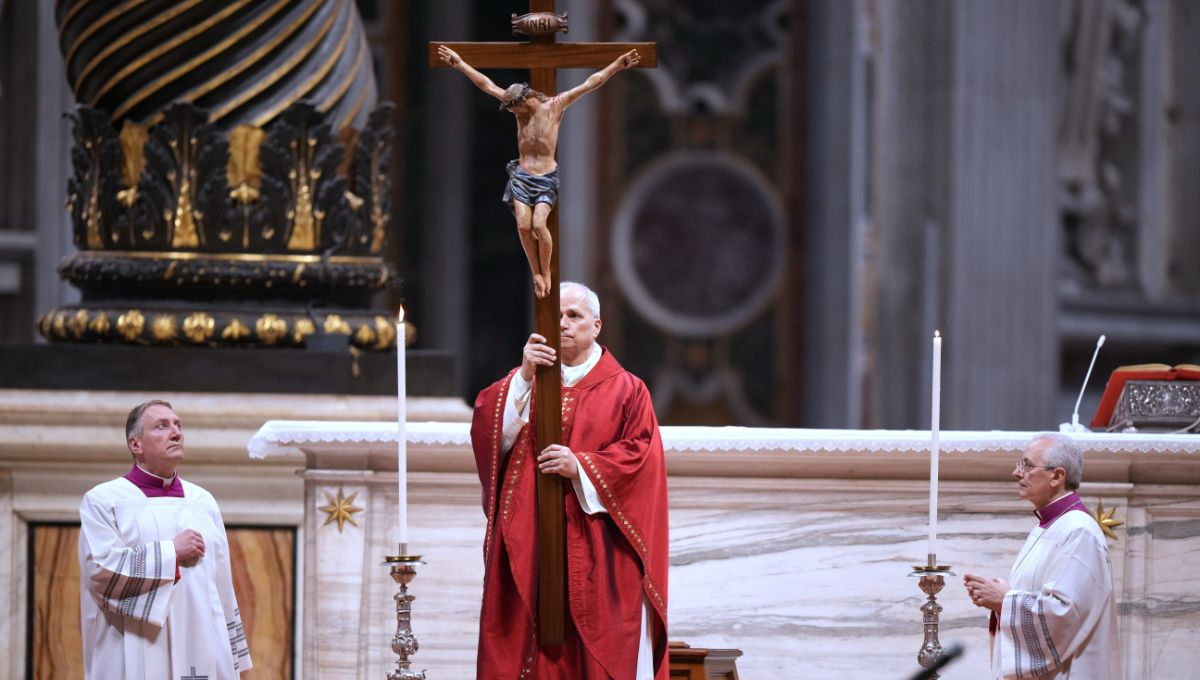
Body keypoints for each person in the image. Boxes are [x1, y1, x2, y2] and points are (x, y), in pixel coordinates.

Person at [470, 282, 669, 679]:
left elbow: (641, 459)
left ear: (597, 325)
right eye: (554, 316)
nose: (562, 324)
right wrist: (524, 376)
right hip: (533, 542)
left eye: (573, 316)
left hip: (599, 547)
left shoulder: (628, 390)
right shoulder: (527, 383)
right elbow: (490, 435)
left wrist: (580, 466)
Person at [438, 44, 640, 299]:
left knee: (538, 224)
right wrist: (459, 64)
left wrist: (616, 66)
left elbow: (590, 83)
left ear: (525, 100)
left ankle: (546, 271)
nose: (511, 112)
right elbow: (486, 85)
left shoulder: (555, 106)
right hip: (522, 176)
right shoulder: (518, 110)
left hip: (544, 178)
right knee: (523, 227)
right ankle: (536, 272)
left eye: (514, 108)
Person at [78, 400, 252, 679]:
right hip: (134, 645)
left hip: (203, 646)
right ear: (136, 444)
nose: (176, 433)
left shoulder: (203, 501)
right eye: (162, 426)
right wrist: (171, 552)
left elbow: (222, 586)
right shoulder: (104, 501)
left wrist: (228, 655)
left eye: (178, 425)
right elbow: (101, 571)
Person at [963, 434, 1120, 679]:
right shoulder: (1048, 525)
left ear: (1057, 476)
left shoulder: (1079, 531)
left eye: (1026, 465)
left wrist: (1005, 601)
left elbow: (1065, 614)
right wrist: (1001, 593)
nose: (1016, 472)